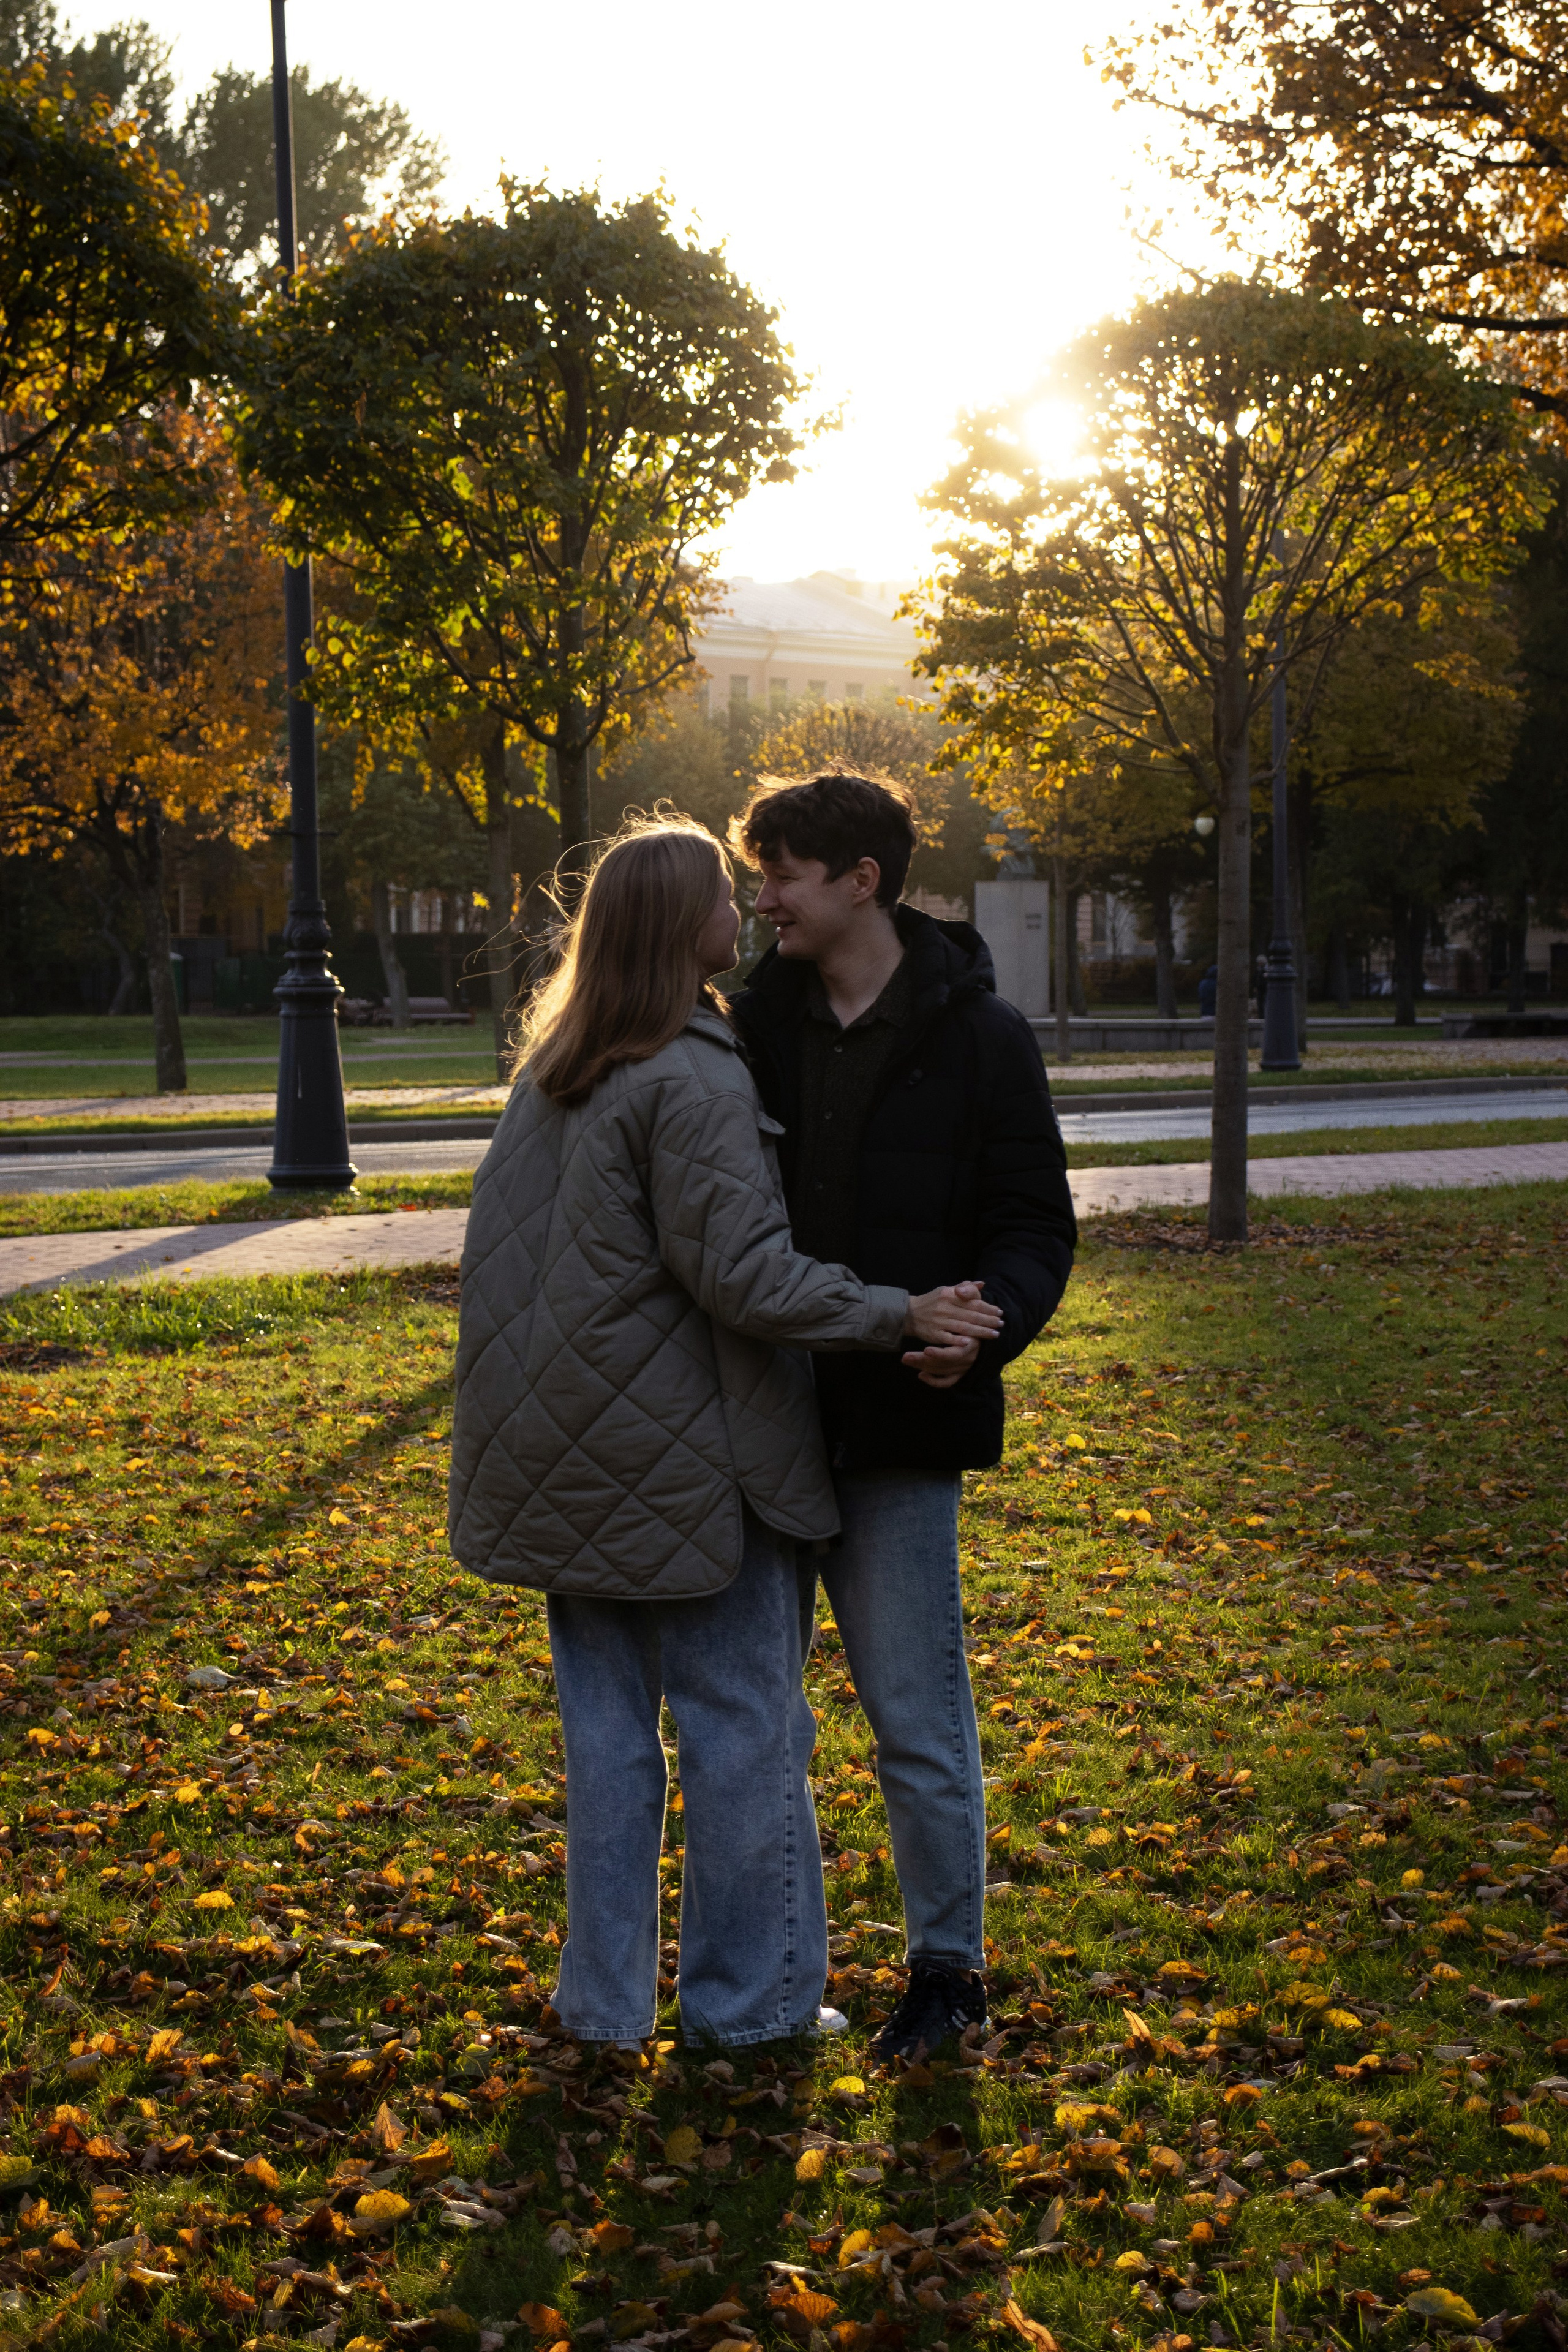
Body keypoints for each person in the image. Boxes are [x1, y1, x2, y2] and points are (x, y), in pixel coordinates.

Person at [447, 813, 1003, 2051]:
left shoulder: (554, 1070)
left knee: (607, 1745)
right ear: (675, 924)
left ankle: (603, 2008)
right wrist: (898, 1311)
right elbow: (746, 1278)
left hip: (554, 1463)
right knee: (743, 1730)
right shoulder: (691, 1074)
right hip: (688, 1468)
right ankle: (752, 2009)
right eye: (721, 891)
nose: (743, 908)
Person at [729, 771, 1078, 2063]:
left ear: (860, 881)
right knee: (757, 1731)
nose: (764, 901)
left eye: (782, 876)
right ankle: (773, 1985)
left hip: (901, 1435)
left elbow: (1032, 1226)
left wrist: (986, 1327)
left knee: (918, 1724)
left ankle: (946, 1975)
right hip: (757, 1429)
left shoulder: (982, 1036)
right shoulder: (743, 1029)